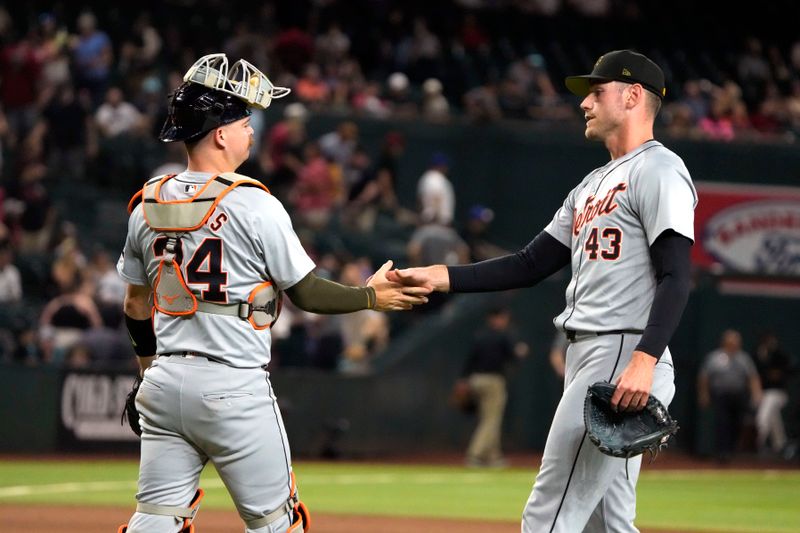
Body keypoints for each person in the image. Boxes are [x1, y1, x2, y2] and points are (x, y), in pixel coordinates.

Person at [116, 53, 429, 533]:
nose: (251, 130)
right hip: (232, 386)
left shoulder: (146, 203)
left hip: (164, 383)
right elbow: (306, 293)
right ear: (220, 133)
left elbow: (136, 305)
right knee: (278, 524)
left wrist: (146, 374)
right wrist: (370, 298)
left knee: (156, 519)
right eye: (244, 121)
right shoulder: (253, 202)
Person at [389, 50, 697, 532]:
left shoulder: (659, 168)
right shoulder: (590, 184)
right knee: (608, 524)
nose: (584, 104)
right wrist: (441, 276)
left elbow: (677, 274)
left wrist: (645, 358)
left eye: (597, 93)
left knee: (548, 515)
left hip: (622, 352)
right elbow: (530, 264)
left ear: (633, 95)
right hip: (598, 355)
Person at [461, 306, 528, 468]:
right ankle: (475, 454)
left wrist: (463, 380)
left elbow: (470, 360)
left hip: (475, 379)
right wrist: (520, 351)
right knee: (491, 420)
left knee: (489, 418)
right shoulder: (503, 335)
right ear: (498, 318)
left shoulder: (480, 335)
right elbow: (514, 355)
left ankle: (493, 457)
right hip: (493, 380)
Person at [697, 329, 763, 462]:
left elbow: (752, 377)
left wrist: (757, 393)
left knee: (738, 423)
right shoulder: (715, 357)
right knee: (722, 423)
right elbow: (704, 378)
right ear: (724, 342)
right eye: (731, 340)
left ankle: (732, 451)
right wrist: (704, 394)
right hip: (721, 395)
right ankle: (722, 453)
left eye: (736, 341)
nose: (734, 343)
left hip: (739, 396)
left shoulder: (744, 358)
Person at [753, 331, 793, 457]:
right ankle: (780, 445)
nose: (770, 343)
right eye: (767, 340)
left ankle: (757, 443)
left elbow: (783, 373)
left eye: (772, 341)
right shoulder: (757, 356)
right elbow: (756, 376)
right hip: (762, 393)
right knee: (774, 418)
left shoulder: (780, 356)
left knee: (763, 416)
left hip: (778, 393)